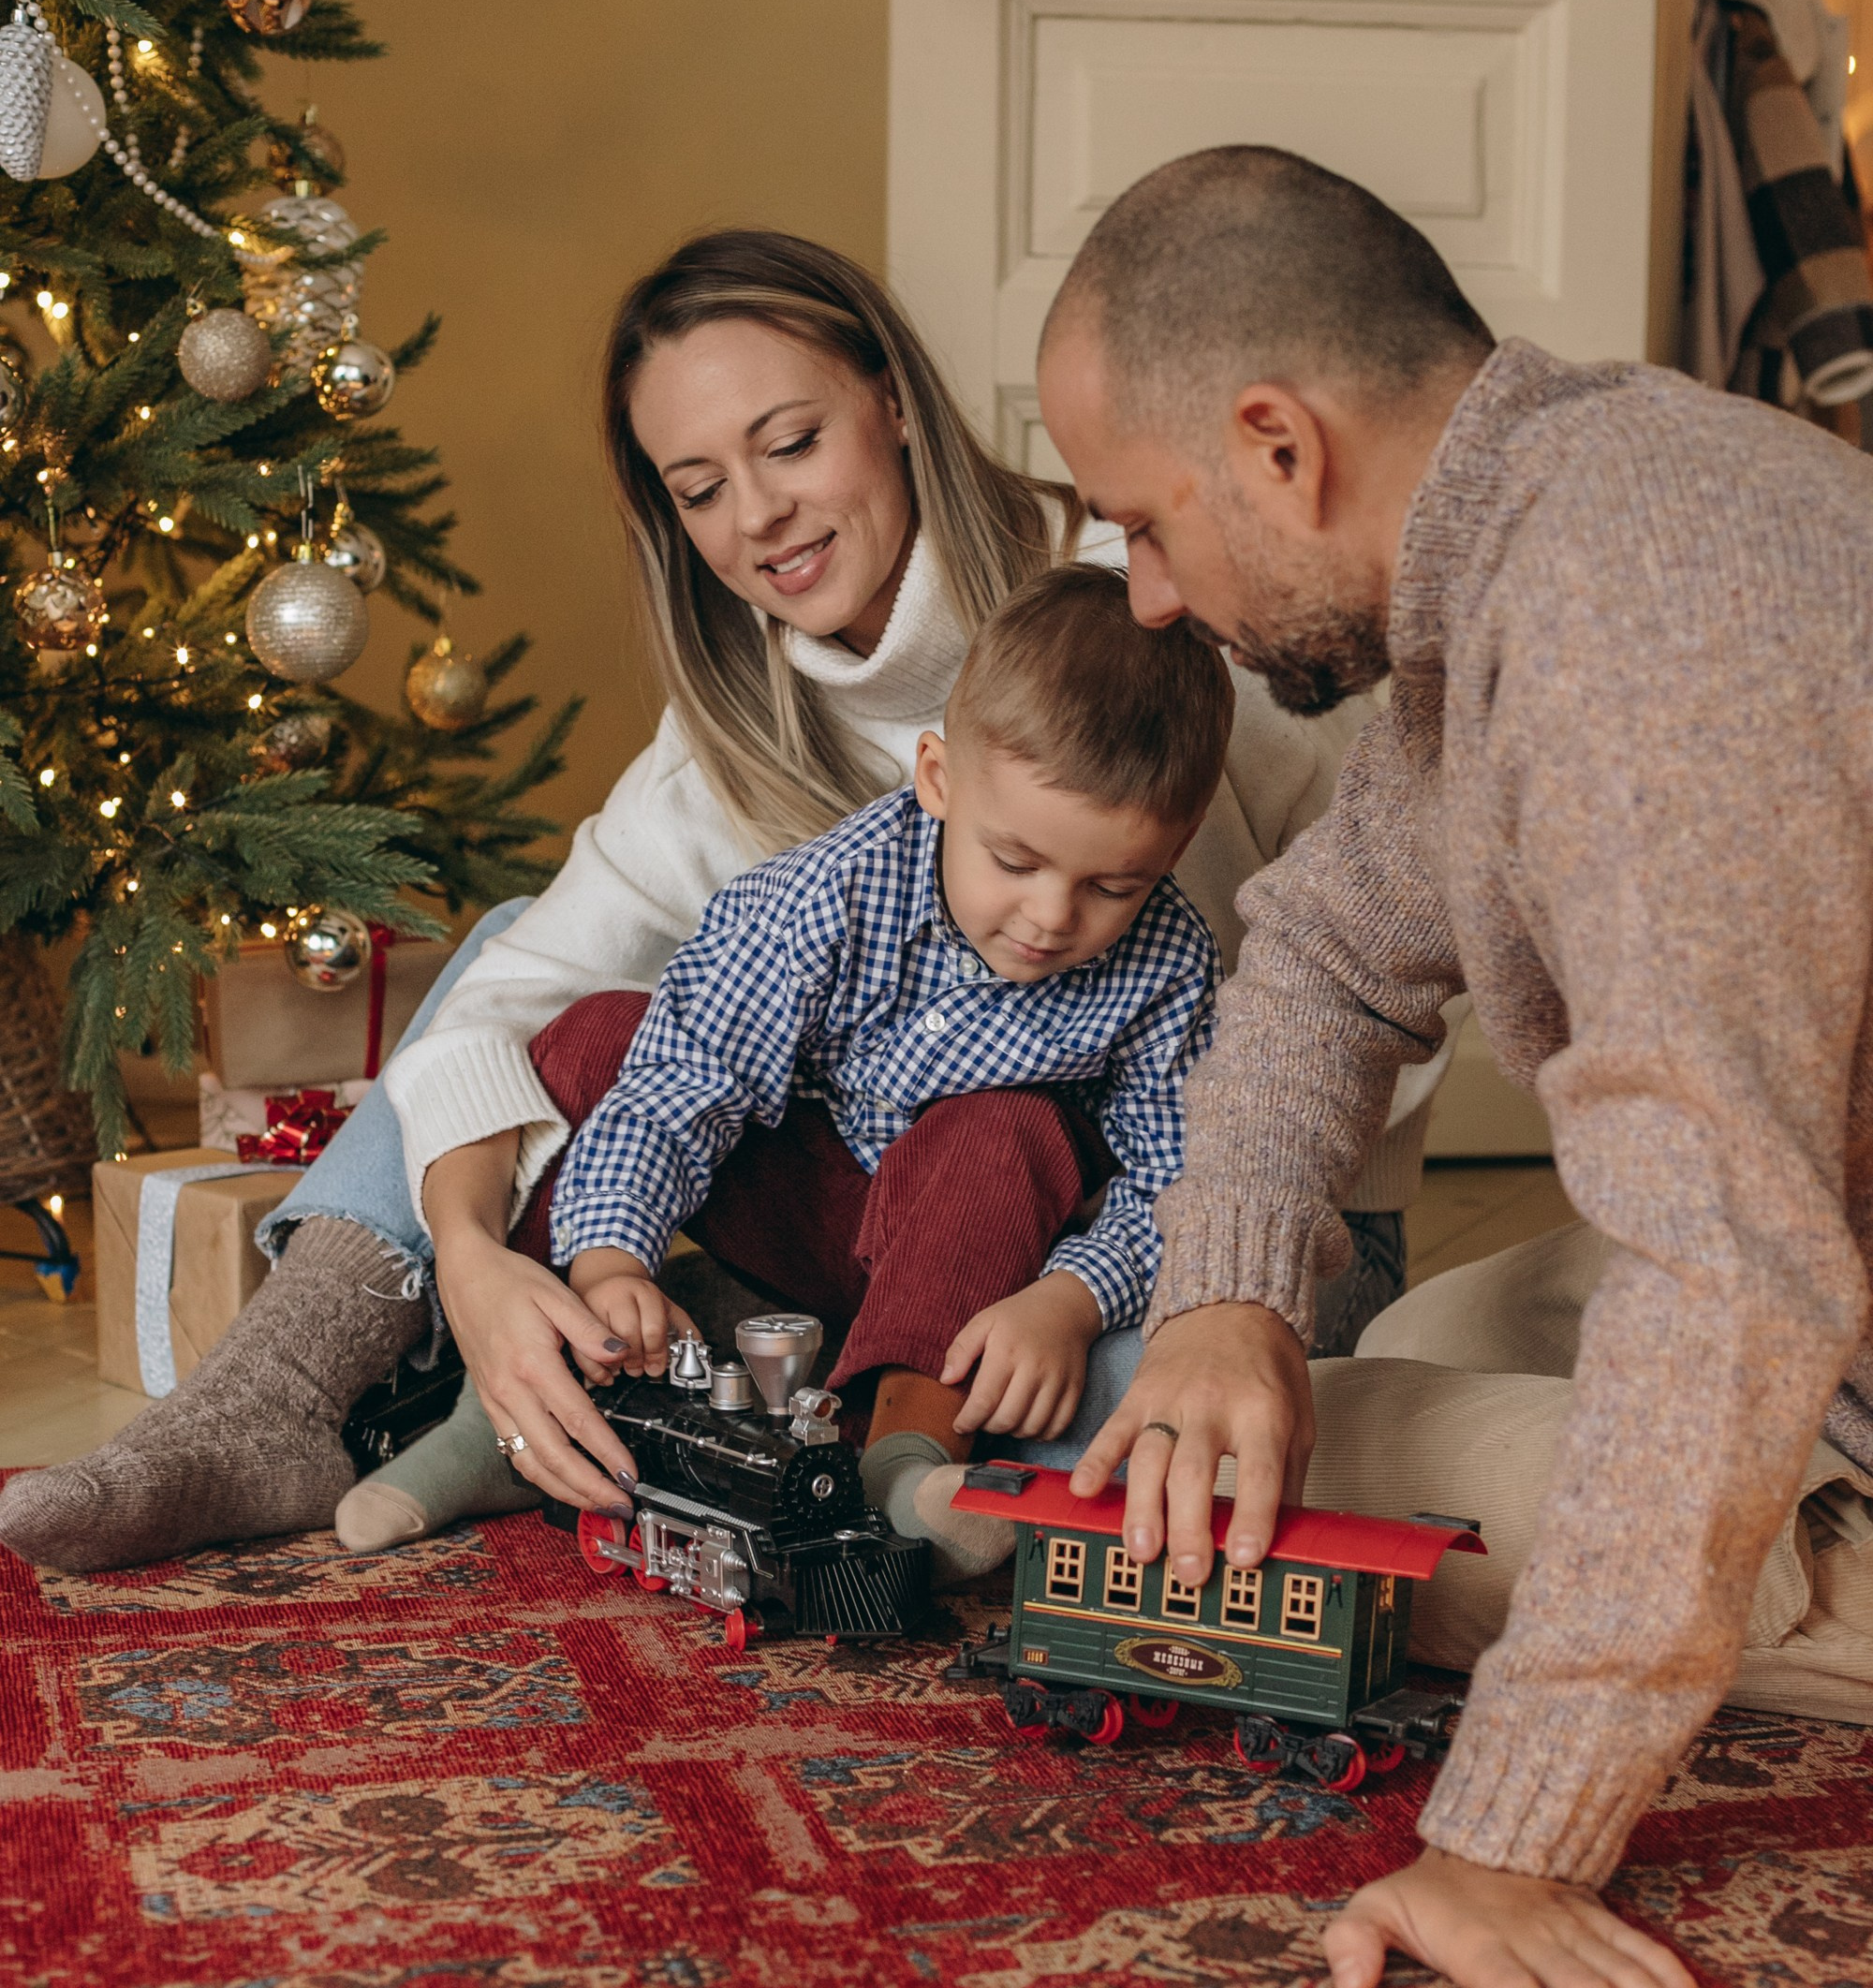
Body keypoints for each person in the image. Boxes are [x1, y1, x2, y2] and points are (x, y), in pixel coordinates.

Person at [0, 230, 1418, 1578]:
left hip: (1205, 1235)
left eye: (790, 443)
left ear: (893, 399)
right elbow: (524, 1009)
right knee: (531, 966)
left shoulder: (1156, 614)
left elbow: (1327, 1005)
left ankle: (819, 1419)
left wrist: (1156, 1286)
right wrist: (478, 1266)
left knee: (1100, 1405)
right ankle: (279, 1396)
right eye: (698, 488)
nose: (758, 518)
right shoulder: (733, 727)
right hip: (883, 1209)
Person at [1032, 140, 1873, 1988]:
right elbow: (1324, 957)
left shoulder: (1635, 628)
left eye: (1143, 525)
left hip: (1791, 1281)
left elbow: (1729, 1267)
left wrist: (1511, 1839)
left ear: (1276, 446)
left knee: (1331, 1457)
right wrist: (1223, 1296)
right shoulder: (1551, 511)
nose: (1144, 597)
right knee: (1387, 1340)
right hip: (1822, 1230)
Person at [508, 564, 1229, 1578]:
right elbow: (685, 1081)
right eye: (1014, 863)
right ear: (938, 779)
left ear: (1174, 847)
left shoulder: (1170, 962)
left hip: (973, 1259)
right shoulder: (829, 893)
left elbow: (1181, 1183)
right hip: (809, 1208)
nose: (1051, 917)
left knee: (1006, 1123)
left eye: (1112, 886)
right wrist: (611, 1260)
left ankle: (903, 1463)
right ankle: (536, 1393)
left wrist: (1070, 1299)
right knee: (599, 1039)